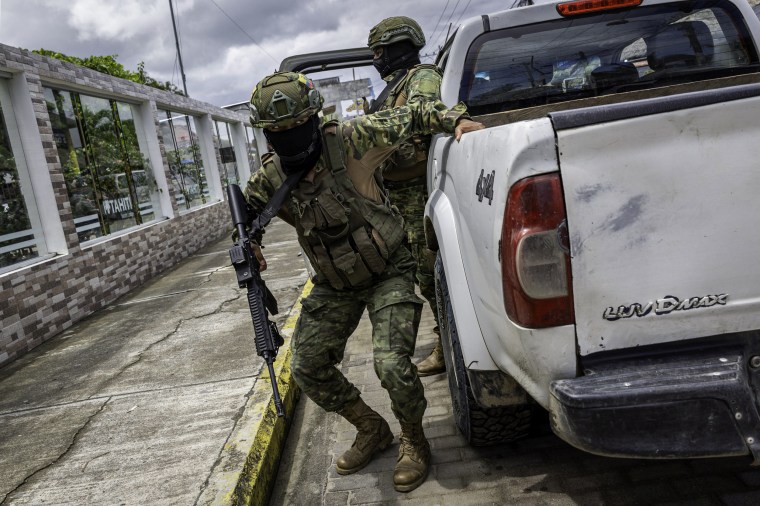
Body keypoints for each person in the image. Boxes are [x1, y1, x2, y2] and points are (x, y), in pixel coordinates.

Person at [244, 71, 483, 492]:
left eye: (297, 127)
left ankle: (414, 440)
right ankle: (371, 429)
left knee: (390, 363)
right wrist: (247, 243)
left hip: (388, 270)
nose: (289, 138)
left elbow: (412, 116)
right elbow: (247, 214)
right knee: (306, 365)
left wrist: (454, 120)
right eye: (277, 132)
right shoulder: (271, 177)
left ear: (313, 118)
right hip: (336, 284)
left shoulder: (352, 138)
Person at [366, 16, 446, 376]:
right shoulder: (391, 87)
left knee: (430, 275)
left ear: (400, 47)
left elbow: (422, 111)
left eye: (381, 51)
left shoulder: (421, 76)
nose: (377, 58)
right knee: (416, 273)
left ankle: (448, 345)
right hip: (395, 196)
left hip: (418, 191)